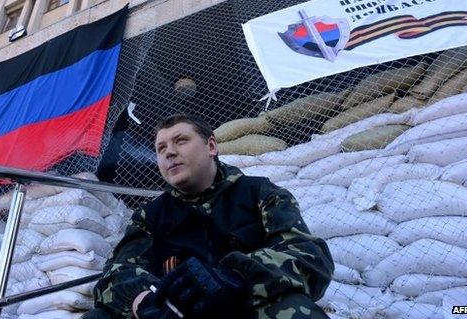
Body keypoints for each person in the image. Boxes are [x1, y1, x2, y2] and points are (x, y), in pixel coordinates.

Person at [84, 114, 334, 319]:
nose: (169, 152)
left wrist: (234, 277)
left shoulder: (259, 193)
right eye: (161, 148)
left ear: (211, 146)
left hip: (245, 306)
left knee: (294, 308)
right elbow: (116, 273)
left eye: (180, 141)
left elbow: (308, 256)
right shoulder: (150, 216)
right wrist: (144, 301)